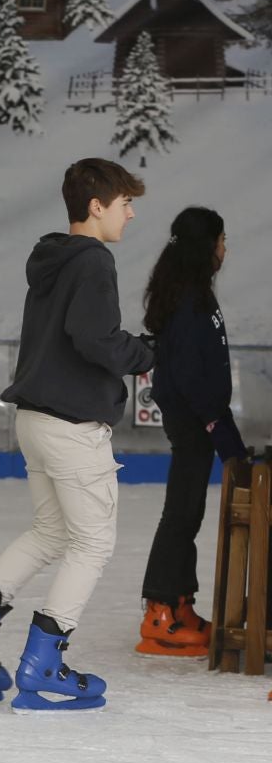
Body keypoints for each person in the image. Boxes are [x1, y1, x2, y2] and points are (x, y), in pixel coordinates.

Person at [0, 159, 153, 711]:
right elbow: (95, 339)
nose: (130, 214)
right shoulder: (94, 260)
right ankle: (44, 664)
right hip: (71, 425)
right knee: (92, 543)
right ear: (96, 206)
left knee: (51, 533)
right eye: (125, 203)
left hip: (36, 419)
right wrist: (149, 352)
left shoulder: (54, 258)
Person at [136, 206, 242, 657]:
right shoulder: (188, 300)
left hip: (200, 416)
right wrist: (216, 424)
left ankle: (179, 602)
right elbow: (187, 373)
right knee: (181, 512)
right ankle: (160, 612)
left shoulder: (193, 292)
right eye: (221, 240)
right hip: (194, 418)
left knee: (188, 510)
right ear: (206, 246)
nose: (225, 248)